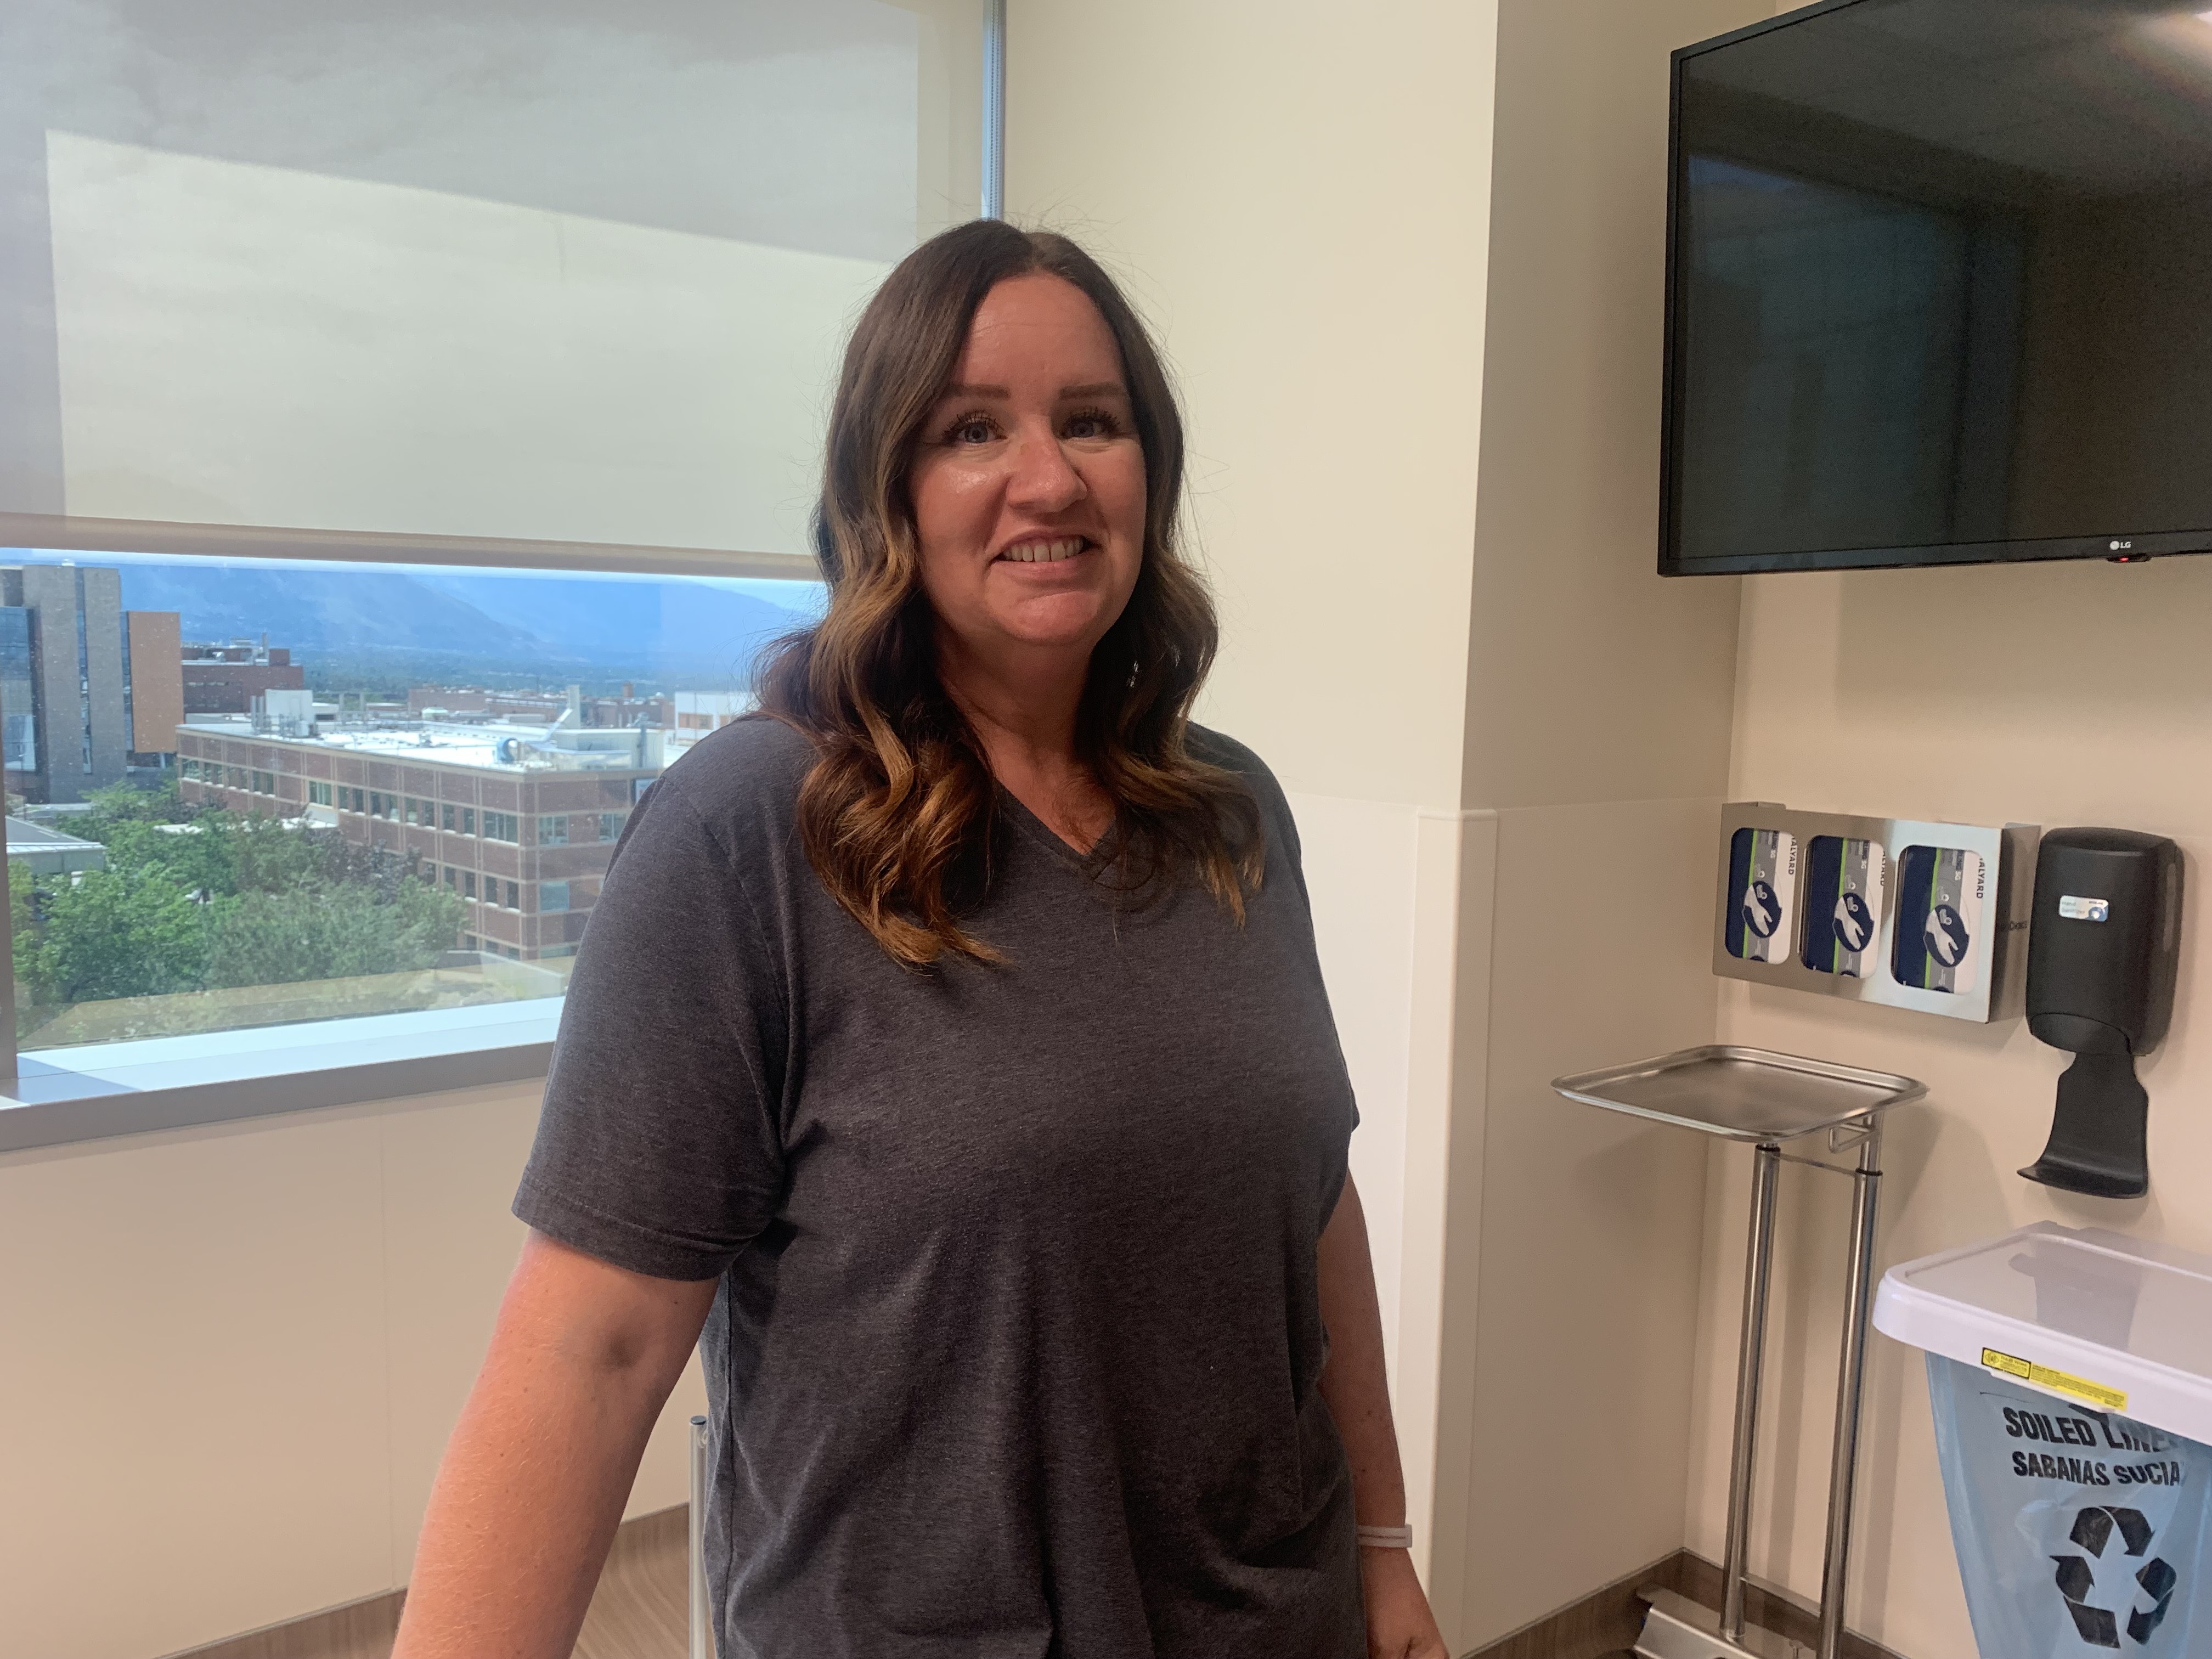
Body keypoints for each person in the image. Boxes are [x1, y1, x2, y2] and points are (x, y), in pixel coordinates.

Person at [392, 219, 1448, 1659]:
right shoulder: (748, 832)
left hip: (1275, 1618)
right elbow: (592, 1349)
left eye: (1094, 421)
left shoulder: (1231, 813)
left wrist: (1382, 1551)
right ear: (884, 491)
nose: (1051, 476)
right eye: (972, 428)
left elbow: (1311, 1208)